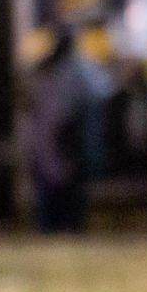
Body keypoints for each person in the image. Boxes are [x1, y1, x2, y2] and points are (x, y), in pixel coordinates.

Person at [22, 30, 93, 234]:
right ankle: (60, 227)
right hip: (61, 134)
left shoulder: (47, 69)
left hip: (53, 135)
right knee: (65, 186)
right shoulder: (70, 68)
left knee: (55, 184)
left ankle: (52, 227)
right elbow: (97, 91)